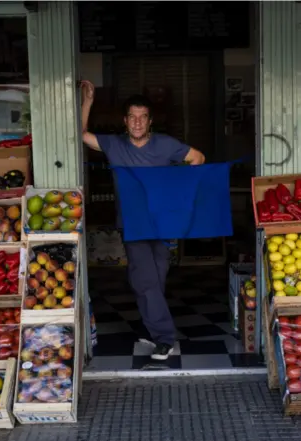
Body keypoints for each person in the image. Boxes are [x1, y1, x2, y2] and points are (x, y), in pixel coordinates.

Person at [80, 80, 205, 360]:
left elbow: (198, 158)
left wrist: (176, 189)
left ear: (150, 121)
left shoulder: (165, 145)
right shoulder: (114, 144)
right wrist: (88, 102)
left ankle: (153, 330)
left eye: (143, 117)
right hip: (133, 224)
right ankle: (164, 338)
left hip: (163, 224)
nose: (137, 122)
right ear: (125, 121)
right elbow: (81, 135)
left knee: (153, 281)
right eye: (132, 117)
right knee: (146, 281)